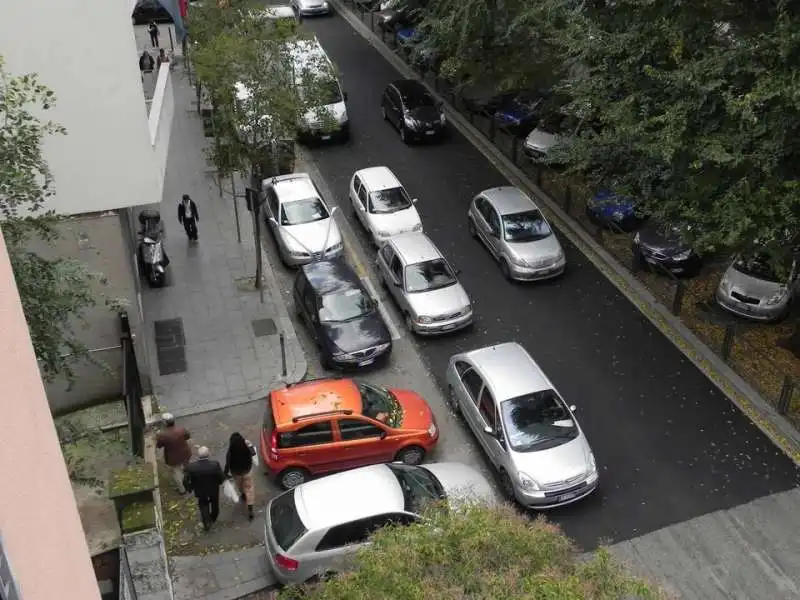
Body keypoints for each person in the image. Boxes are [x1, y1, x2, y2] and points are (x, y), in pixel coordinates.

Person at [183, 447, 225, 531]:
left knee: (203, 505)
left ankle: (206, 522)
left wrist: (190, 488)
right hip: (213, 489)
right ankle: (213, 517)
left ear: (198, 456)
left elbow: (185, 480)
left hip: (200, 490)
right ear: (208, 454)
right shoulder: (215, 464)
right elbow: (221, 477)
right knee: (214, 504)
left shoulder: (191, 467)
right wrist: (219, 482)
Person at [155, 413, 192, 494]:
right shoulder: (181, 429)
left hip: (173, 457)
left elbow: (159, 445)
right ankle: (190, 482)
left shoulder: (162, 435)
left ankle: (182, 490)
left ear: (165, 423)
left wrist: (158, 436)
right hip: (186, 453)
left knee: (177, 473)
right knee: (187, 468)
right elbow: (188, 436)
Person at [223, 433, 256, 521]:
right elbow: (253, 453)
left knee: (240, 486)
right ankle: (250, 509)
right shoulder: (246, 447)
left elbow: (227, 464)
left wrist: (225, 473)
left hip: (236, 473)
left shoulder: (230, 451)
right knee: (249, 489)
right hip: (247, 471)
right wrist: (250, 445)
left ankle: (243, 494)